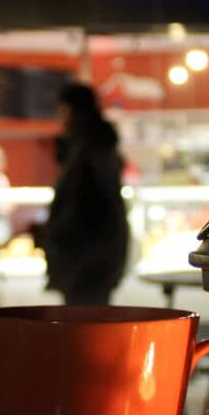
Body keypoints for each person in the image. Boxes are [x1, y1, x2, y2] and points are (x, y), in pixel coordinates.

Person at [43, 83, 129, 305]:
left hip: (86, 262)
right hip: (93, 260)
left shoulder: (88, 151)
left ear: (74, 111)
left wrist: (55, 233)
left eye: (62, 111)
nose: (60, 119)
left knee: (85, 329)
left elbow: (85, 208)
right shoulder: (96, 146)